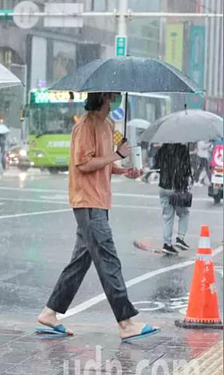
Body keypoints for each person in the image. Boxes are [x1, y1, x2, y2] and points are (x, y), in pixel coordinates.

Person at [37, 92, 160, 341]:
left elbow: (102, 163)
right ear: (103, 97)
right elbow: (83, 164)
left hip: (100, 202)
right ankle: (125, 322)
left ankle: (49, 313)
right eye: (111, 93)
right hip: (87, 202)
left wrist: (123, 170)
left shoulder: (108, 124)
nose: (115, 96)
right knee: (108, 259)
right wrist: (118, 155)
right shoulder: (85, 126)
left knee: (80, 261)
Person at [155, 143, 193, 255]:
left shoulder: (162, 149)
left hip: (163, 186)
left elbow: (156, 165)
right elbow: (186, 169)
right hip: (177, 186)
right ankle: (180, 238)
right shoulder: (182, 149)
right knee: (184, 213)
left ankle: (167, 244)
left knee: (168, 216)